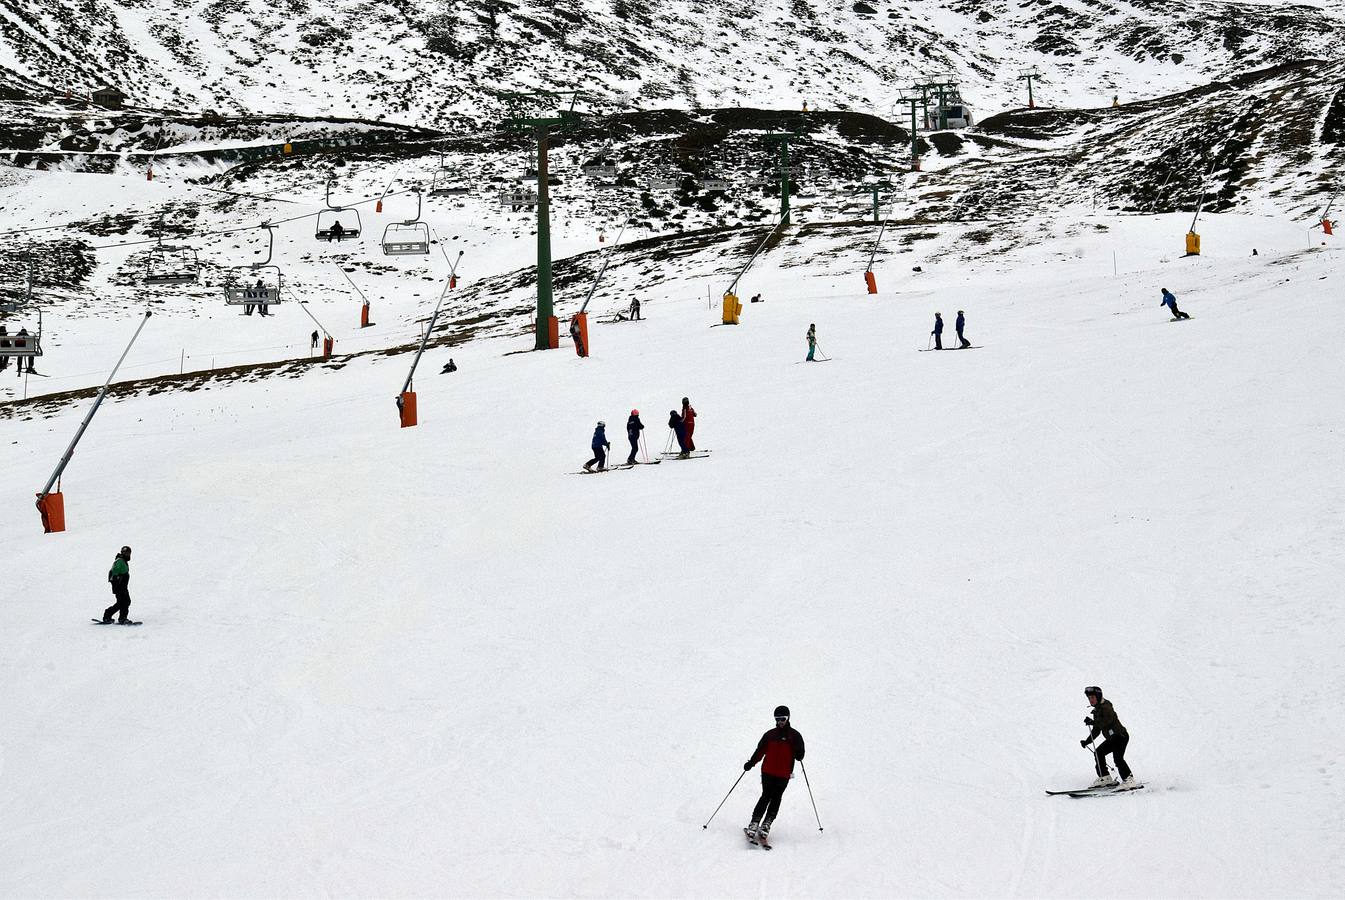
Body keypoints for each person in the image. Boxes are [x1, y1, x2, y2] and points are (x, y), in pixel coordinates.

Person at [743, 706, 806, 843]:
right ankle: (754, 823)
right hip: (768, 771)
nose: (780, 721)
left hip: (784, 774)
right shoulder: (770, 734)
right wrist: (751, 763)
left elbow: (800, 756)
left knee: (776, 798)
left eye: (782, 719)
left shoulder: (794, 736)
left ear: (788, 718)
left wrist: (799, 752)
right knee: (766, 796)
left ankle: (767, 823)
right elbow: (760, 751)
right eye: (777, 719)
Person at [1082, 685, 1138, 789]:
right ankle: (1105, 778)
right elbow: (1097, 730)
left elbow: (1106, 721)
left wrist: (1093, 722)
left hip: (1120, 736)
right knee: (1099, 753)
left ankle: (1129, 780)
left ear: (1098, 697)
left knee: (1118, 758)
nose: (1091, 700)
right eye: (1089, 698)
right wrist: (1087, 741)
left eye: (1093, 697)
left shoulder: (1106, 706)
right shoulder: (1097, 710)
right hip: (1112, 738)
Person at [102, 546, 134, 624]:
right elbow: (114, 572)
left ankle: (121, 618)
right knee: (123, 602)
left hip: (123, 586)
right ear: (122, 553)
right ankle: (110, 616)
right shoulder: (119, 561)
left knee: (125, 601)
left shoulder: (123, 560)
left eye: (129, 553)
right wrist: (116, 580)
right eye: (126, 553)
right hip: (119, 586)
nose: (128, 554)